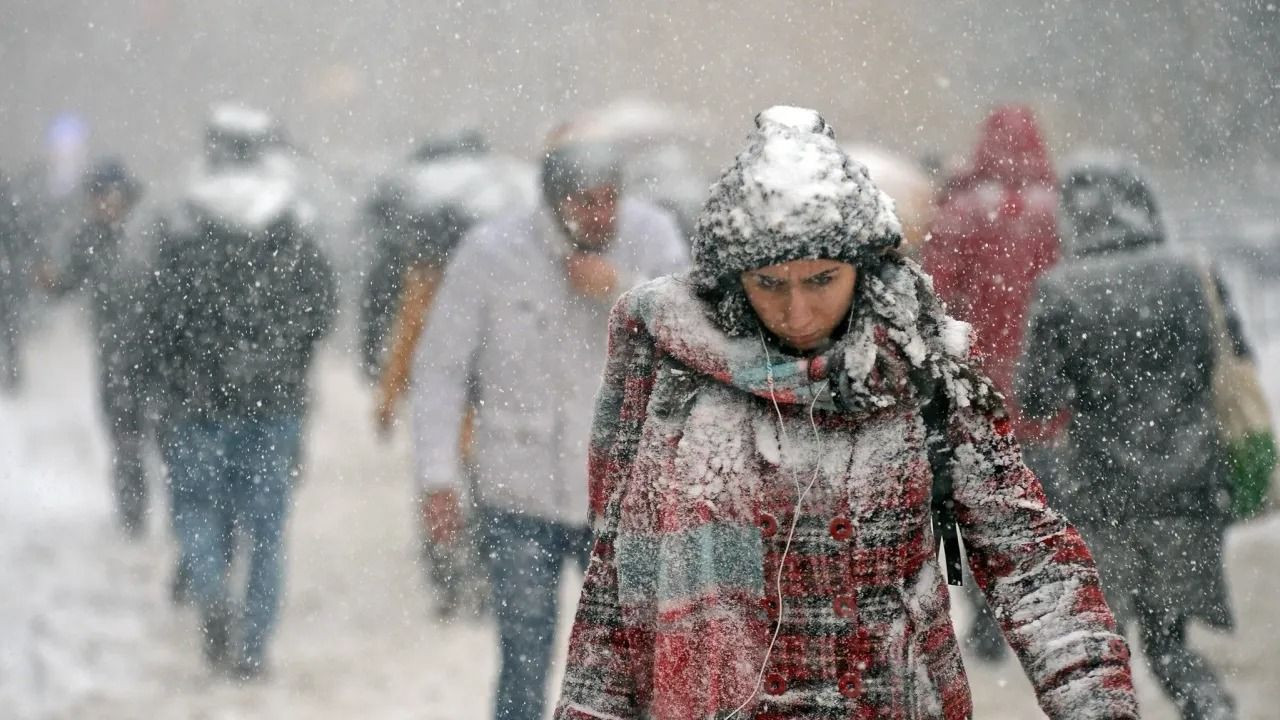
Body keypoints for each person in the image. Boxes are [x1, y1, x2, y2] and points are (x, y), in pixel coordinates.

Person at [554, 107, 1137, 720]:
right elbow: (618, 595)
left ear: (863, 270)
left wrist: (1098, 705)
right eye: (770, 284)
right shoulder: (679, 381)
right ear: (733, 280)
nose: (798, 312)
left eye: (822, 280)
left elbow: (1032, 559)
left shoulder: (919, 374)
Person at [411, 138, 687, 719]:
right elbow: (440, 370)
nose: (599, 214)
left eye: (608, 199)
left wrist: (622, 288)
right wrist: (437, 477)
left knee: (629, 664)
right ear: (553, 202)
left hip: (621, 495)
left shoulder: (652, 236)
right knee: (523, 653)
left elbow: (693, 337)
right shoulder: (491, 252)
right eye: (584, 202)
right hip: (517, 492)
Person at [1018, 156, 1240, 720]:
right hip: (1187, 489)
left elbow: (1038, 397)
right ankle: (1213, 711)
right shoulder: (1189, 272)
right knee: (1170, 646)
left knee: (1097, 653)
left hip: (1103, 495)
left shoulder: (1061, 289)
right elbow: (1224, 360)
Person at [146, 105, 337, 679]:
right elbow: (321, 309)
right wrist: (286, 359)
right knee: (267, 532)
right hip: (273, 401)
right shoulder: (292, 220)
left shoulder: (183, 219)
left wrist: (165, 377)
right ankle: (254, 650)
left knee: (196, 510)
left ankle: (209, 590)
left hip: (196, 399)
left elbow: (157, 316)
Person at [921, 105, 1065, 660]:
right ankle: (1041, 612)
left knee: (982, 507)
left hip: (980, 392)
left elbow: (932, 295)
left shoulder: (959, 211)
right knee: (1042, 508)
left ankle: (986, 619)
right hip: (1047, 395)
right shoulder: (1060, 211)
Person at [44, 159, 151, 533]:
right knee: (123, 434)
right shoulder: (89, 237)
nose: (102, 204)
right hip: (115, 352)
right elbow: (67, 280)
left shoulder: (147, 231)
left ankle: (181, 512)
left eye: (107, 195)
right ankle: (132, 511)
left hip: (157, 352)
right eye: (96, 196)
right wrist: (50, 281)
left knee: (163, 434)